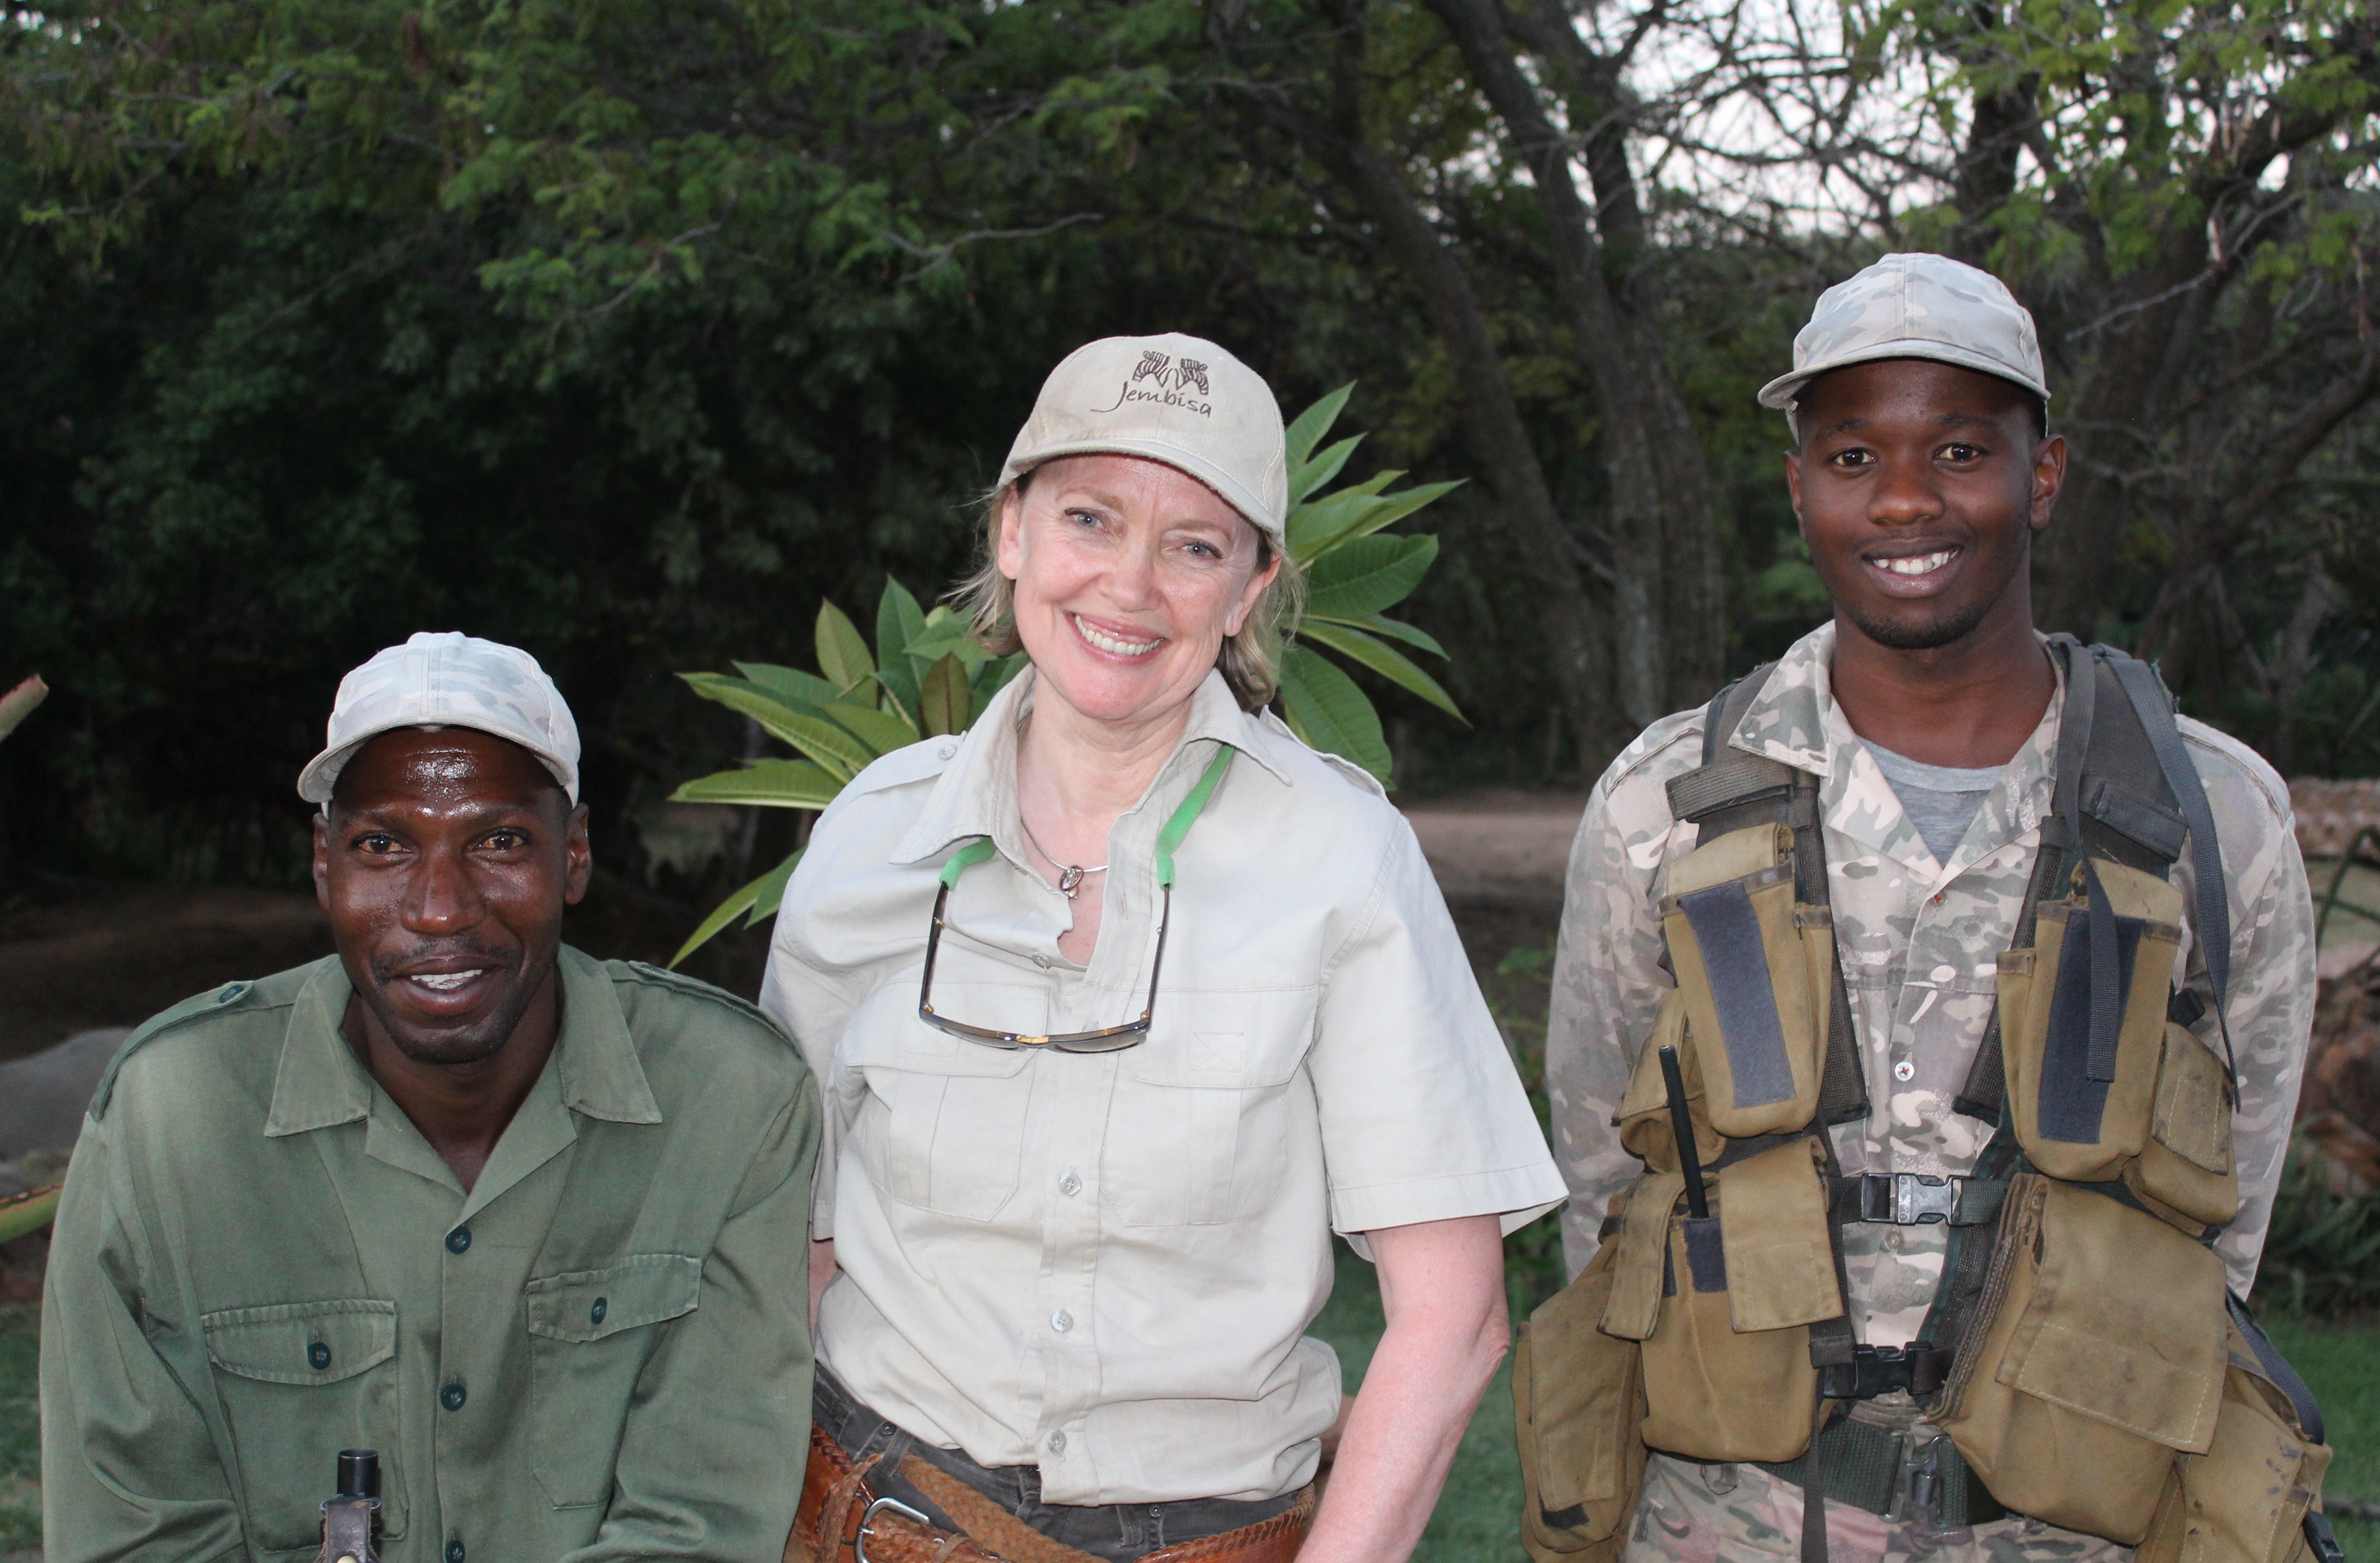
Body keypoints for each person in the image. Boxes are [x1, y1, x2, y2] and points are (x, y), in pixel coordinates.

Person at [1537, 256, 2319, 1563]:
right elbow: (1600, 1183)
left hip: (2075, 1524)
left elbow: (2229, 1213)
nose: (1905, 499)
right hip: (1722, 1519)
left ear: (2043, 474)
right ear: (1800, 486)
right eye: (1852, 456)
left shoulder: (2212, 816)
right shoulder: (1663, 805)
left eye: (1960, 450)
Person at [762, 333, 1564, 1563]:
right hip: (874, 1516)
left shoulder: (1340, 857)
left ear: (1248, 589)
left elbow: (1451, 1319)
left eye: (1194, 545)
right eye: (1090, 518)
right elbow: (800, 1240)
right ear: (1012, 532)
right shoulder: (875, 838)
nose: (1130, 585)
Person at [41, 631, 821, 1563]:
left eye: (499, 841)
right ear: (325, 863)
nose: (440, 908)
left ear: (574, 855)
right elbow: (135, 1529)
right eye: (383, 845)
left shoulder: (730, 1098)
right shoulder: (170, 1114)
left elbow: (699, 1521)